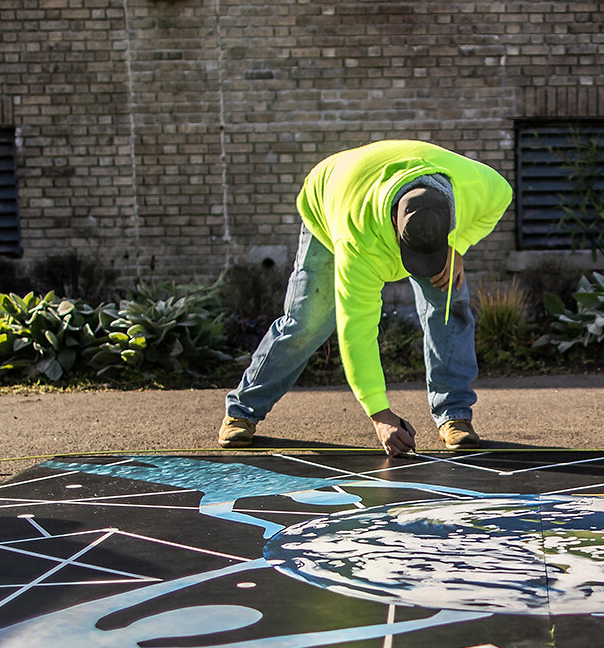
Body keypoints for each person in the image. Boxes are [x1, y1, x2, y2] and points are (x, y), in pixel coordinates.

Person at [220, 140, 513, 455]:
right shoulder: (356, 238)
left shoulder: (477, 188)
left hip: (397, 192)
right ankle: (242, 411)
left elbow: (503, 195)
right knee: (309, 321)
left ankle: (454, 415)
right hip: (331, 198)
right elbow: (357, 329)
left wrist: (459, 244)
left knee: (449, 303)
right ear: (393, 225)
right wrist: (380, 414)